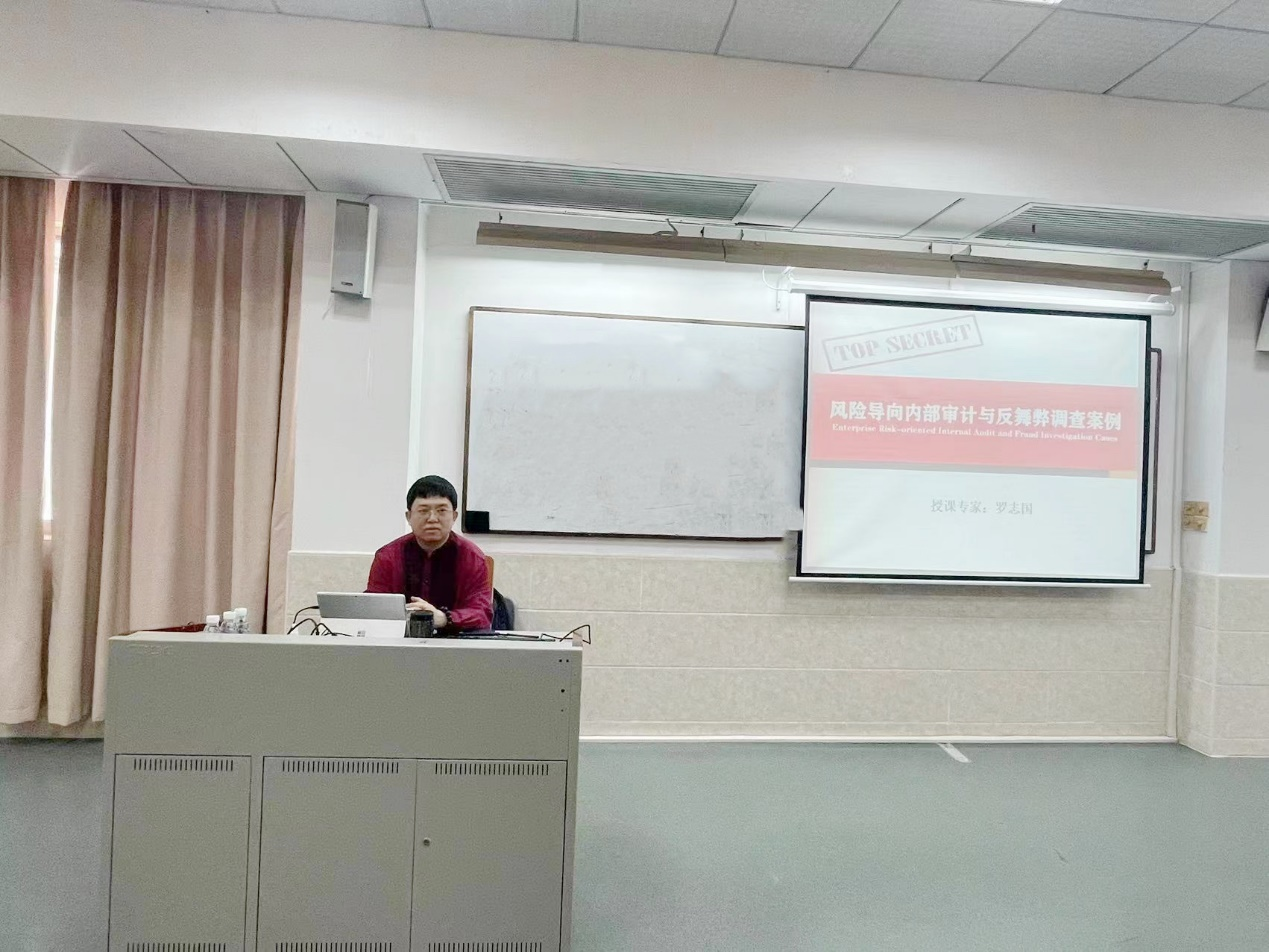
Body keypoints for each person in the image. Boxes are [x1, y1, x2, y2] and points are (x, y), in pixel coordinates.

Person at [366, 475, 492, 632]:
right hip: (399, 640)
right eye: (423, 510)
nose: (432, 519)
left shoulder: (472, 558)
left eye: (441, 510)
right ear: (408, 517)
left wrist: (443, 618)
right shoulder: (388, 557)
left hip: (455, 641)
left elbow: (482, 613)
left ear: (454, 516)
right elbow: (373, 607)